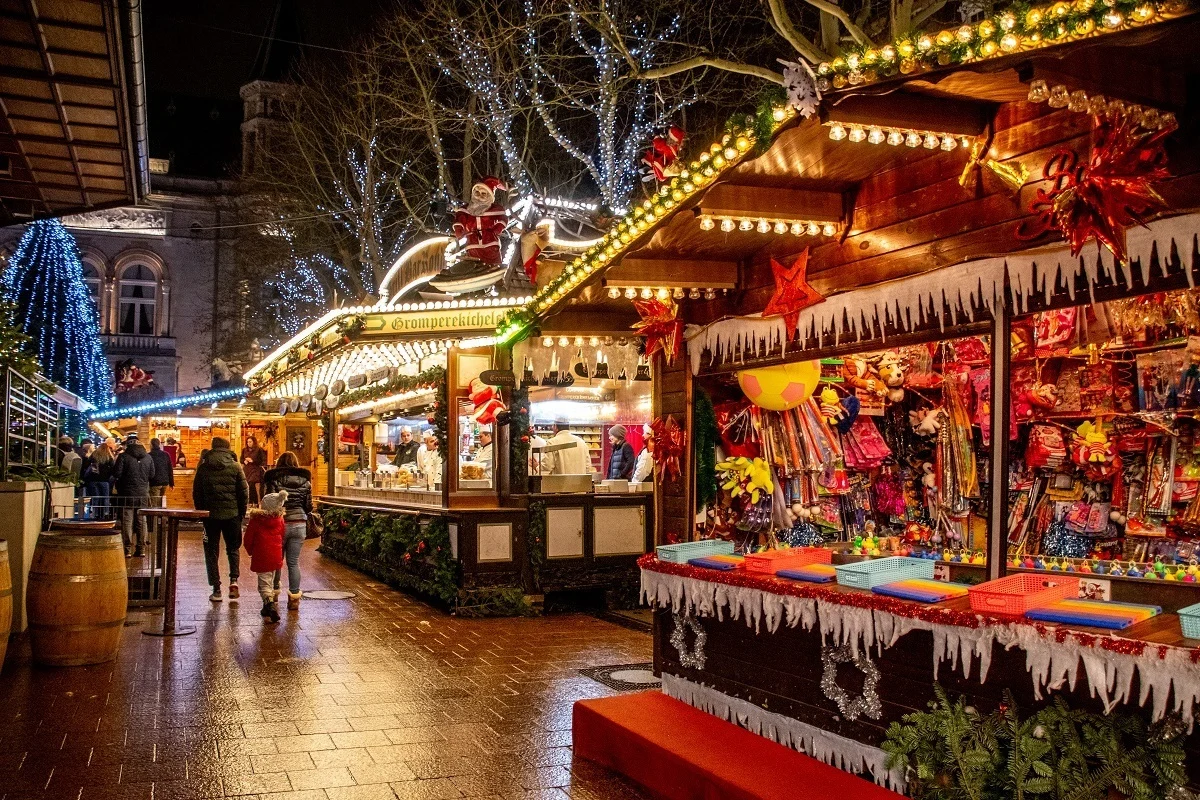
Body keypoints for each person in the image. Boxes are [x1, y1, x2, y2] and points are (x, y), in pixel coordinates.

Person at [193, 437, 248, 602]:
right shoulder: (236, 466)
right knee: (233, 548)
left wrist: (201, 511)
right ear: (228, 448)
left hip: (210, 516)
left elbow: (197, 492)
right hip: (232, 515)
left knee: (211, 551)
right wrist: (241, 514)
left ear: (213, 448)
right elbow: (244, 493)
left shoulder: (203, 467)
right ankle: (234, 580)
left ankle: (216, 589)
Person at [264, 452, 312, 611]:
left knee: (277, 561)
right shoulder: (306, 481)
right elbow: (309, 506)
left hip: (280, 523)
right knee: (293, 562)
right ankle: (294, 599)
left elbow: (268, 503)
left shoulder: (274, 479)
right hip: (299, 523)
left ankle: (274, 594)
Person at [242, 490, 286, 623]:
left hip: (262, 555)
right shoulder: (279, 520)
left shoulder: (256, 520)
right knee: (271, 580)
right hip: (276, 555)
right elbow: (282, 535)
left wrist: (250, 551)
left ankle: (270, 605)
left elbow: (248, 538)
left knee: (264, 583)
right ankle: (266, 608)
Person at [112, 434, 154, 556]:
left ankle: (127, 549)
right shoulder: (148, 457)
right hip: (143, 493)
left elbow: (117, 473)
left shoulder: (123, 456)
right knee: (142, 521)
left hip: (126, 493)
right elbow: (152, 475)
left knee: (127, 521)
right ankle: (141, 549)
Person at [82, 441, 115, 519]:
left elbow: (86, 465)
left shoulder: (94, 455)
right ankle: (105, 513)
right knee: (105, 497)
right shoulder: (109, 457)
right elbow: (113, 468)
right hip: (104, 480)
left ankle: (95, 513)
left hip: (93, 480)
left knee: (95, 497)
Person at [241, 435, 267, 504]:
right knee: (249, 485)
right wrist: (244, 461)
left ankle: (254, 502)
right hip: (247, 469)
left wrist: (253, 461)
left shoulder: (259, 450)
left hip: (255, 469)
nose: (248, 443)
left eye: (250, 442)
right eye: (247, 442)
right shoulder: (244, 450)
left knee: (251, 483)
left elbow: (262, 460)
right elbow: (241, 459)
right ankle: (252, 502)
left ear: (254, 442)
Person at [148, 438, 174, 508]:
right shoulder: (166, 454)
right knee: (160, 504)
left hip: (154, 482)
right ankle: (159, 518)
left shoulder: (149, 455)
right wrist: (171, 483)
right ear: (159, 444)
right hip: (165, 482)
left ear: (151, 445)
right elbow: (170, 469)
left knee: (154, 505)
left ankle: (155, 519)